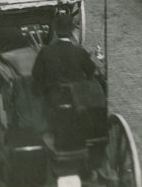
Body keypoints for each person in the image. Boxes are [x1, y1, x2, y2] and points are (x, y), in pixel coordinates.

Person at [31, 12, 99, 140]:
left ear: (55, 31)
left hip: (54, 101)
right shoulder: (80, 52)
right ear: (71, 32)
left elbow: (36, 74)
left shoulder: (46, 52)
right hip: (78, 101)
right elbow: (91, 70)